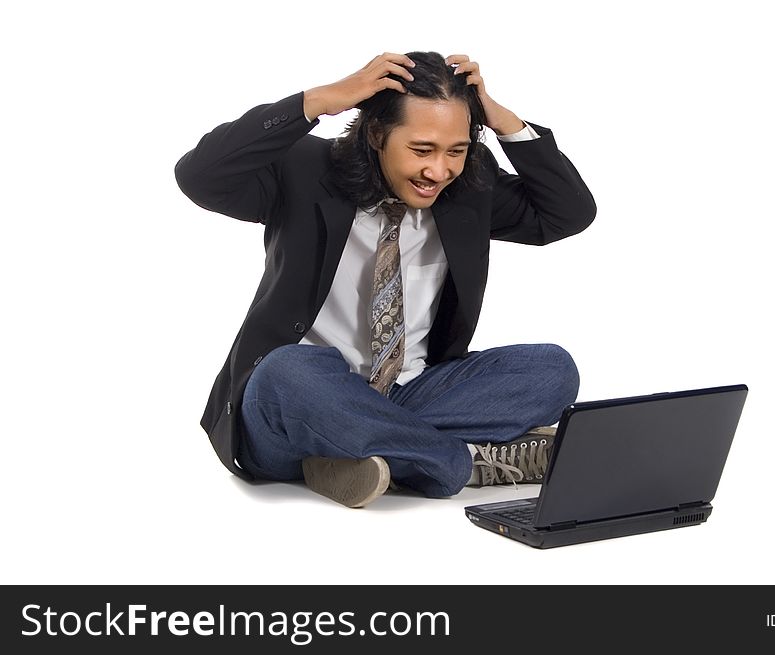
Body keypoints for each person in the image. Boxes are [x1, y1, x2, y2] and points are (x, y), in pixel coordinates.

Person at [175, 51, 596, 508]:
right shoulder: (303, 169)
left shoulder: (467, 191)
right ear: (376, 134)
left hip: (410, 387)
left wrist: (503, 120)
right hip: (300, 397)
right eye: (421, 150)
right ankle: (461, 463)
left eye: (455, 151)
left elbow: (568, 213)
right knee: (286, 371)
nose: (438, 171)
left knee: (550, 370)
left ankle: (362, 452)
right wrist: (319, 100)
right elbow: (199, 175)